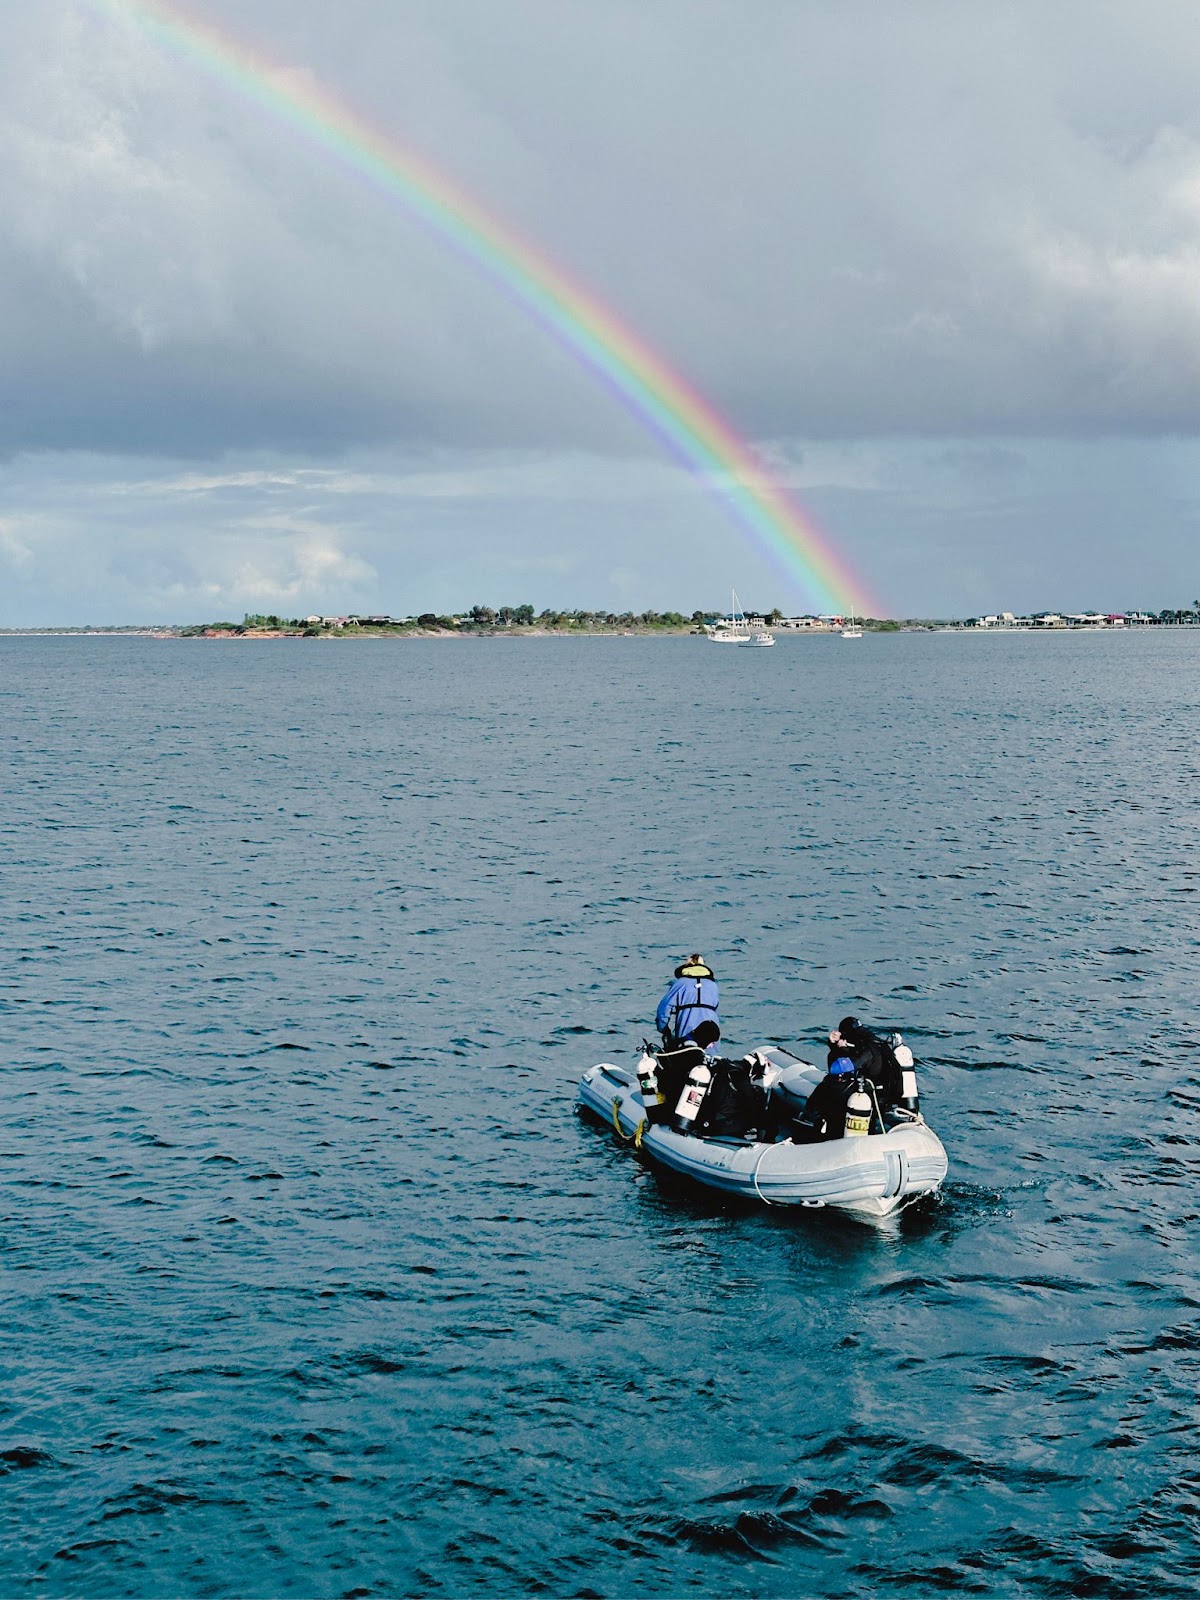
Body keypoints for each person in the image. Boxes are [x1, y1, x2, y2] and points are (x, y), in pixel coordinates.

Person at [656, 955, 721, 1051]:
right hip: (711, 1028)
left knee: (686, 1054)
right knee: (710, 1057)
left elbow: (664, 1007)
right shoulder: (713, 985)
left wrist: (663, 1029)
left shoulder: (680, 983)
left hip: (687, 1026)